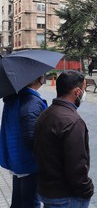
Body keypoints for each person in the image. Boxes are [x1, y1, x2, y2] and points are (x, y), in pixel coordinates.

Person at [34, 71, 94, 208]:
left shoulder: (46, 113)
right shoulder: (72, 121)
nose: (84, 94)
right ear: (77, 92)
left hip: (48, 190)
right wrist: (87, 189)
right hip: (66, 196)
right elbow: (76, 165)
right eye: (84, 90)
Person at [0, 76, 47, 208]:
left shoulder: (15, 98)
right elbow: (31, 138)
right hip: (29, 162)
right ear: (36, 79)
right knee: (30, 203)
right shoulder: (31, 102)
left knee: (18, 201)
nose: (43, 77)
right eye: (41, 75)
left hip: (17, 159)